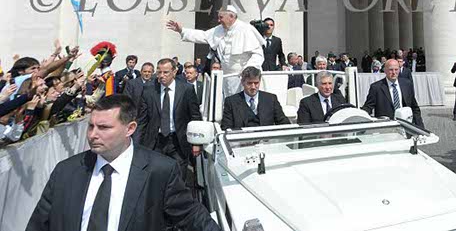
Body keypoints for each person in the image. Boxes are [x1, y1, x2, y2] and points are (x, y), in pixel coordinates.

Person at [26, 95, 220, 231]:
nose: (93, 135)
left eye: (103, 127)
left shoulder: (160, 171)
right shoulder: (66, 171)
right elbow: (38, 225)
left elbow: (192, 217)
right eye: (91, 126)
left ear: (130, 129)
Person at [135, 59, 202, 180]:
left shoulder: (186, 89)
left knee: (179, 178)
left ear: (174, 72)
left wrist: (196, 143)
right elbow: (142, 121)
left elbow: (195, 117)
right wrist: (136, 145)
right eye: (159, 72)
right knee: (156, 178)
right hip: (155, 142)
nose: (161, 76)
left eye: (165, 72)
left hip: (178, 141)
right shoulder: (149, 90)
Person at [166, 5, 265, 74]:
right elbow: (202, 35)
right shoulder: (219, 29)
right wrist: (182, 30)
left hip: (245, 77)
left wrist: (248, 70)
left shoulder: (246, 29)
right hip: (227, 76)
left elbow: (258, 54)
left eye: (221, 17)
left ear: (231, 17)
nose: (218, 20)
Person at [221, 66, 290, 129]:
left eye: (256, 83)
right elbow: (226, 128)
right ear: (242, 82)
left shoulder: (271, 99)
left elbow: (284, 123)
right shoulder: (231, 102)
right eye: (249, 83)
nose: (253, 87)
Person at [361, 59, 424, 128]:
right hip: (386, 127)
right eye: (391, 70)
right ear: (385, 70)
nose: (394, 72)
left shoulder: (407, 84)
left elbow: (414, 108)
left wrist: (421, 128)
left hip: (406, 126)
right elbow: (368, 107)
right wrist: (359, 116)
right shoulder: (376, 87)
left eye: (396, 69)